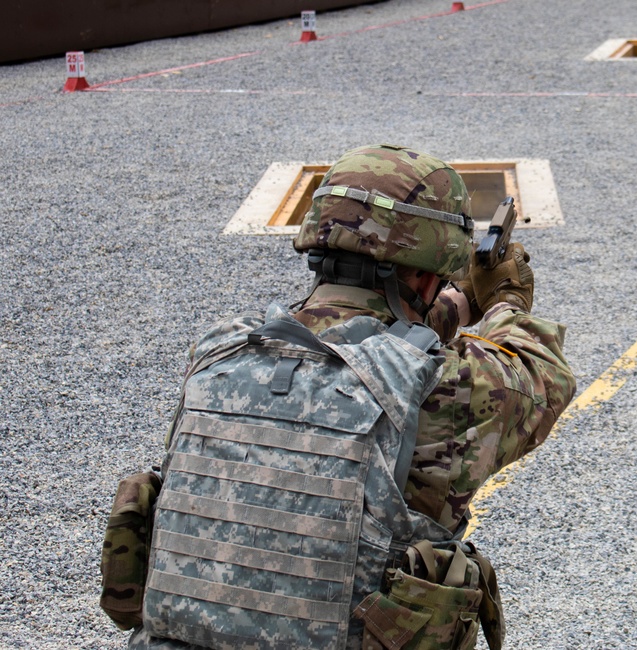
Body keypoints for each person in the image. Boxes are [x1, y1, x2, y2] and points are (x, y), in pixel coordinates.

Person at [125, 144, 576, 649]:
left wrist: (460, 299)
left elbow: (365, 334)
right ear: (429, 273)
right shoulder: (435, 390)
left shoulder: (216, 353)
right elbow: (540, 374)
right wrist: (505, 297)